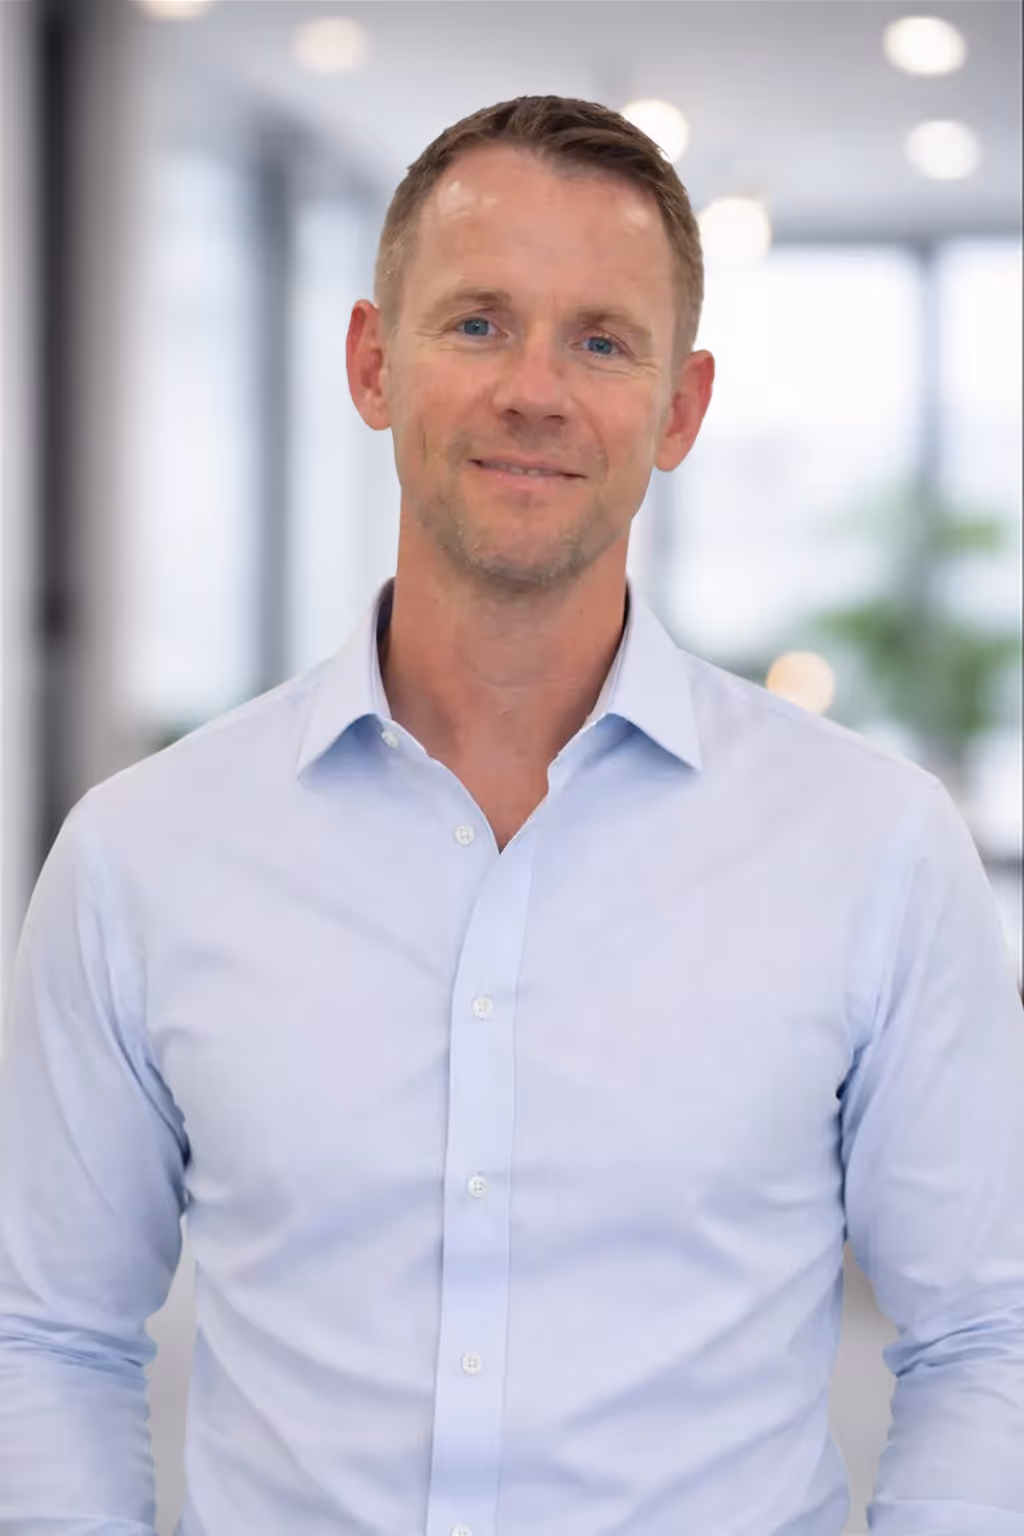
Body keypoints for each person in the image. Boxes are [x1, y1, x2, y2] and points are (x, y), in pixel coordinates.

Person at [0, 93, 1022, 1536]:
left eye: (601, 340)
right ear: (372, 363)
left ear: (680, 410)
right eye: (478, 323)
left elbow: (988, 1334)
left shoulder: (876, 850)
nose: (533, 390)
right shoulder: (141, 856)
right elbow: (47, 1335)